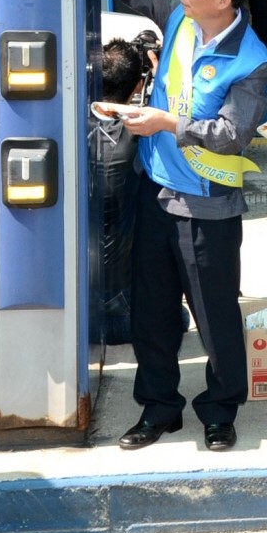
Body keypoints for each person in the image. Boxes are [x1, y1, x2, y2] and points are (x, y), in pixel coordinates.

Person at [34, 0, 267, 453]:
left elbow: (232, 135)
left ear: (223, 0)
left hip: (207, 205)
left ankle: (220, 411)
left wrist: (166, 122)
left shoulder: (253, 62)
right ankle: (159, 408)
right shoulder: (181, 17)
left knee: (214, 316)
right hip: (156, 191)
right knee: (152, 310)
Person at [94, 32, 158, 346]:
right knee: (177, 316)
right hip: (119, 308)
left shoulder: (67, 126)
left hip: (75, 304)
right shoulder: (137, 134)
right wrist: (158, 74)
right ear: (136, 87)